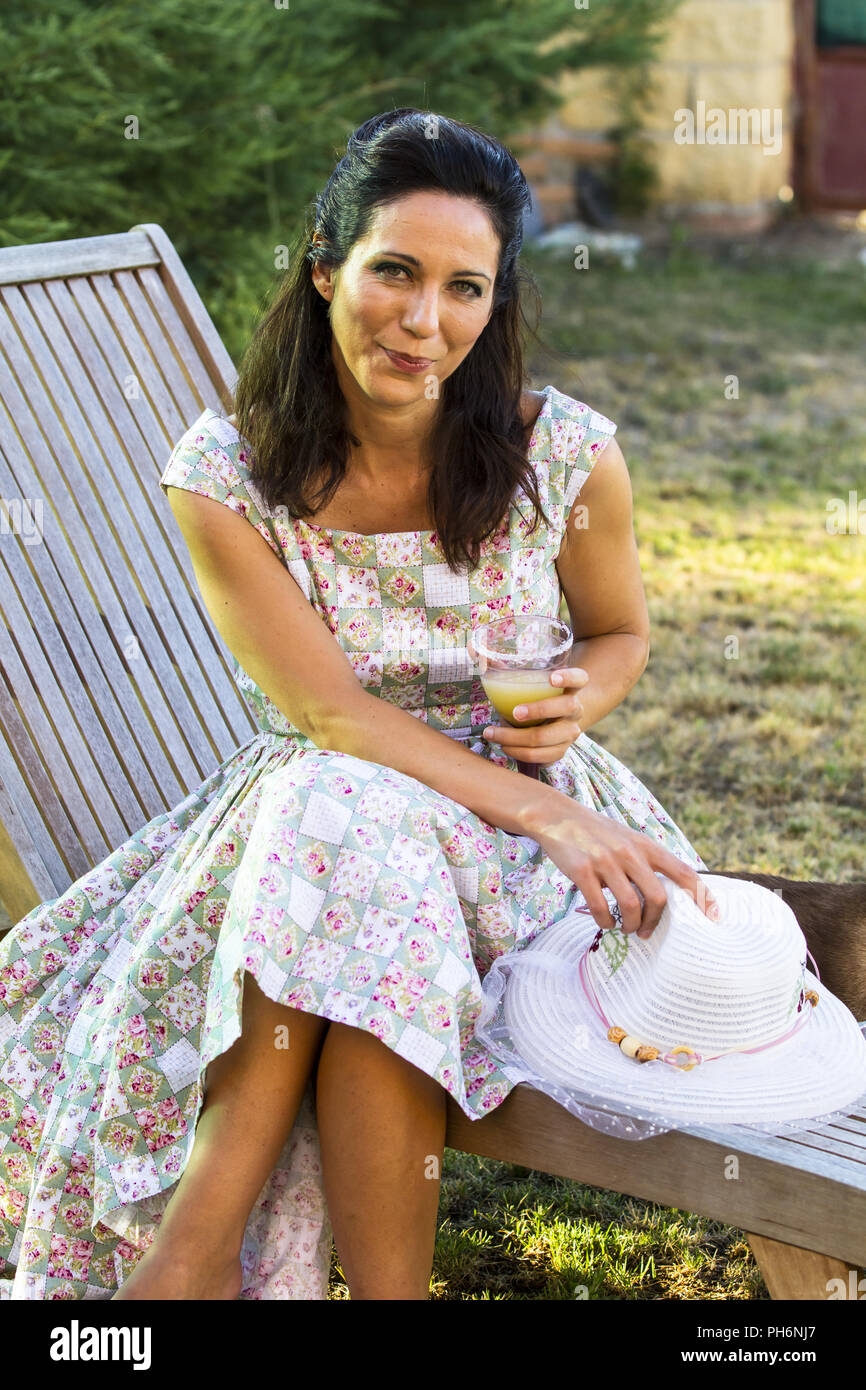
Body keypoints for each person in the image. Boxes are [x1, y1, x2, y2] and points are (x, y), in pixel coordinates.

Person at [0, 108, 720, 1303]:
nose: (423, 320)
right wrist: (551, 815)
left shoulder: (565, 455)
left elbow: (619, 631)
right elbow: (329, 714)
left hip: (509, 850)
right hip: (333, 828)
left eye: (463, 288)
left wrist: (577, 699)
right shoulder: (224, 473)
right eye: (392, 270)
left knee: (348, 841)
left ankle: (187, 1262)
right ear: (325, 263)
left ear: (496, 303)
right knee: (354, 824)